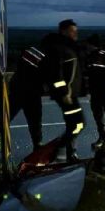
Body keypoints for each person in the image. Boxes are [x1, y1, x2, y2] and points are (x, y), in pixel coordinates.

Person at [41, 19, 84, 162]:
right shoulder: (58, 48)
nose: (75, 33)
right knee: (78, 124)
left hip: (70, 94)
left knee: (73, 124)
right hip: (66, 95)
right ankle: (59, 149)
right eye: (73, 31)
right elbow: (56, 73)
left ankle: (70, 154)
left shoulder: (67, 47)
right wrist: (64, 92)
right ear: (64, 31)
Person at [0, 45, 46, 151]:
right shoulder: (41, 58)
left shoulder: (30, 55)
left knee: (6, 117)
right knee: (35, 123)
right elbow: (44, 75)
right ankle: (37, 146)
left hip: (18, 91)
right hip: (30, 93)